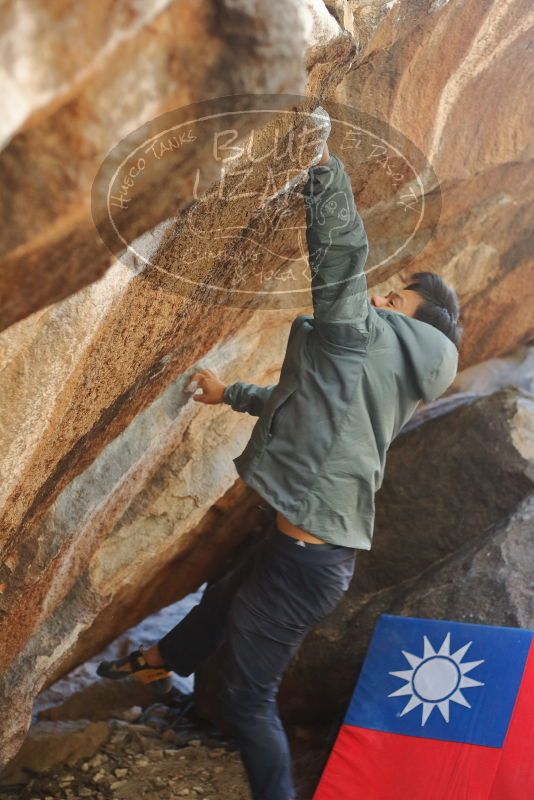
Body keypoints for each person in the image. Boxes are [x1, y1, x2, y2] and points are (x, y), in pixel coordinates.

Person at [97, 113, 462, 800]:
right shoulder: (383, 367)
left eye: (396, 298)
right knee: (225, 593)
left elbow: (340, 256)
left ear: (413, 326)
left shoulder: (366, 338)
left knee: (247, 703)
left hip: (308, 563)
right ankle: (159, 659)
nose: (380, 297)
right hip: (307, 548)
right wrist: (226, 392)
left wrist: (319, 165)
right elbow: (306, 406)